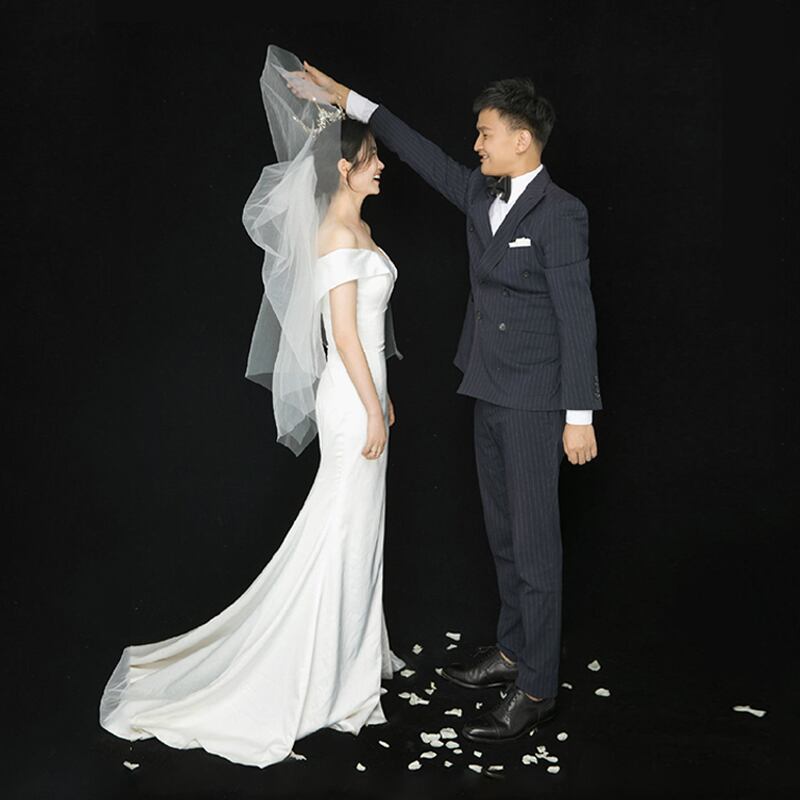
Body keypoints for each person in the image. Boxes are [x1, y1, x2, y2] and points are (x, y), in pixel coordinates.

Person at [97, 45, 405, 769]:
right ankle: (319, 671)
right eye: (372, 160)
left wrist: (385, 400)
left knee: (358, 527)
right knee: (342, 524)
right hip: (350, 396)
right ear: (345, 168)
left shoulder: (360, 230)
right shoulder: (336, 233)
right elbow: (342, 336)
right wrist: (371, 406)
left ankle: (351, 657)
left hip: (365, 393)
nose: (381, 169)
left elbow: (365, 335)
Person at [292, 61, 602, 743]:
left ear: (522, 139)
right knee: (503, 534)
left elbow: (577, 317)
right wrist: (347, 99)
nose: (476, 144)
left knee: (536, 546)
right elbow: (418, 149)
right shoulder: (478, 192)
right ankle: (512, 650)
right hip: (487, 388)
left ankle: (537, 688)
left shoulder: (562, 213)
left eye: (486, 134)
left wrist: (579, 416)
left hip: (536, 401)